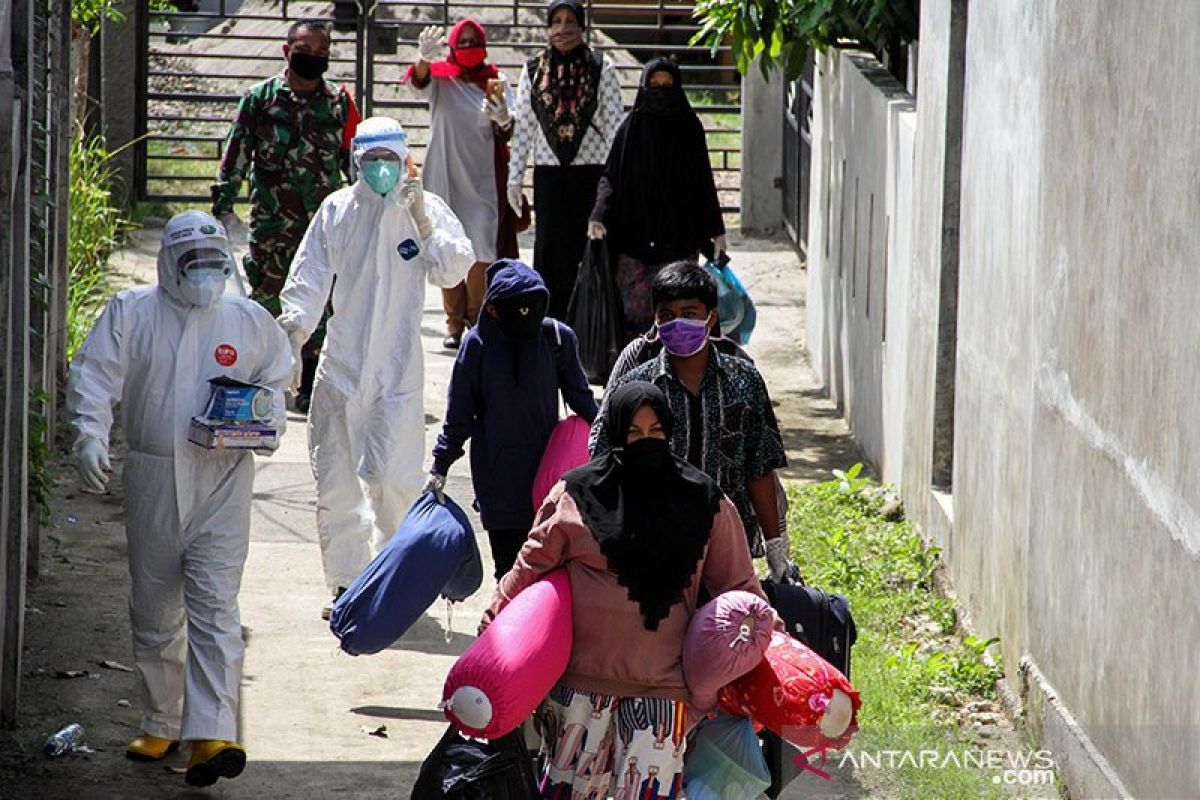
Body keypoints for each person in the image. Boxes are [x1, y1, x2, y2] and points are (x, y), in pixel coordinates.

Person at [66, 211, 291, 787]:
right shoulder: (132, 313)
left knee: (217, 605)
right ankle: (163, 718)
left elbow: (276, 378)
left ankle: (212, 734)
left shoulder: (247, 320)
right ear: (169, 264)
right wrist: (90, 434)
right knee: (157, 606)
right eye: (195, 265)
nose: (206, 276)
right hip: (152, 477)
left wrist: (263, 424)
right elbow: (94, 374)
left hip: (222, 477)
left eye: (216, 265)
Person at [482, 382, 768, 795]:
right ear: (615, 434)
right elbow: (530, 568)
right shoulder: (574, 495)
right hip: (580, 689)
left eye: (656, 432)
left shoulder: (705, 501)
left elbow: (738, 586)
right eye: (633, 433)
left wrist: (765, 649)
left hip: (664, 691)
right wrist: (492, 625)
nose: (646, 442)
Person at [278, 116, 474, 617]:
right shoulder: (338, 211)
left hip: (398, 374)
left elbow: (454, 268)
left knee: (396, 479)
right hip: (342, 370)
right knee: (338, 482)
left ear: (406, 160)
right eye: (372, 161)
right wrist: (293, 334)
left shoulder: (422, 209)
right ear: (356, 164)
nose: (382, 170)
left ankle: (397, 581)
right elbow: (311, 274)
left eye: (391, 160)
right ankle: (346, 585)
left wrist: (424, 223)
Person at [591, 261, 791, 578]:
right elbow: (602, 459)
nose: (677, 323)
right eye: (667, 316)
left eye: (689, 313)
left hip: (728, 547)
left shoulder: (744, 381)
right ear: (655, 320)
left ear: (710, 317)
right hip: (654, 547)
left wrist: (776, 548)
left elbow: (760, 467)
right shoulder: (637, 387)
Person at [211, 19, 360, 412]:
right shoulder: (260, 99)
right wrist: (223, 208)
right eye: (304, 50)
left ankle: (309, 383)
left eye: (320, 53)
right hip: (273, 227)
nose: (312, 58)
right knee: (266, 302)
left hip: (324, 230)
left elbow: (355, 164)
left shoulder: (340, 104)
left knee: (321, 303)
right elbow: (236, 156)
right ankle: (263, 380)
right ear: (286, 50)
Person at [427, 259, 598, 581]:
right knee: (509, 574)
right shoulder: (476, 346)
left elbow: (582, 401)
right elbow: (459, 415)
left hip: (550, 479)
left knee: (551, 574)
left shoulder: (558, 338)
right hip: (498, 482)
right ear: (492, 310)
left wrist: (615, 440)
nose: (525, 317)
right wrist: (440, 466)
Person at [588, 58, 727, 343]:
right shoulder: (632, 128)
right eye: (654, 85)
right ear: (643, 87)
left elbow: (703, 180)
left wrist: (716, 229)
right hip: (633, 243)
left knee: (677, 315)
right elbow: (611, 176)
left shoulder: (689, 128)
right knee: (635, 318)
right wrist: (598, 215)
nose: (661, 91)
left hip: (679, 242)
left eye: (668, 85)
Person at [406, 20, 524, 350]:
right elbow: (418, 82)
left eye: (475, 41)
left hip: (482, 178)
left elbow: (509, 125)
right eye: (464, 41)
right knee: (447, 245)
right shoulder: (442, 79)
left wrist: (503, 118)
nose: (469, 46)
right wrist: (425, 59)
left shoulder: (495, 80)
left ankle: (478, 318)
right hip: (444, 174)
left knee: (481, 249)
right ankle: (453, 322)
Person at [507, 0, 623, 322]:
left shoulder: (603, 68)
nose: (563, 29)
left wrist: (615, 184)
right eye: (556, 21)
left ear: (582, 27)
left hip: (592, 179)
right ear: (547, 29)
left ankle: (589, 339)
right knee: (550, 257)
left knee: (590, 258)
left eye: (570, 21)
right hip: (549, 180)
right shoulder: (532, 71)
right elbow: (525, 130)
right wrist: (514, 179)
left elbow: (616, 129)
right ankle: (550, 333)